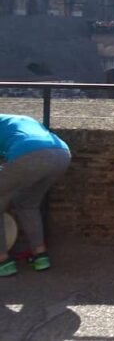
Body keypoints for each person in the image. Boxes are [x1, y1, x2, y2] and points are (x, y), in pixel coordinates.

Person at [0, 114, 71, 276]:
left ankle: (3, 261)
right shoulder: (19, 119)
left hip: (29, 155)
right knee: (27, 204)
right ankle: (40, 255)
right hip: (61, 154)